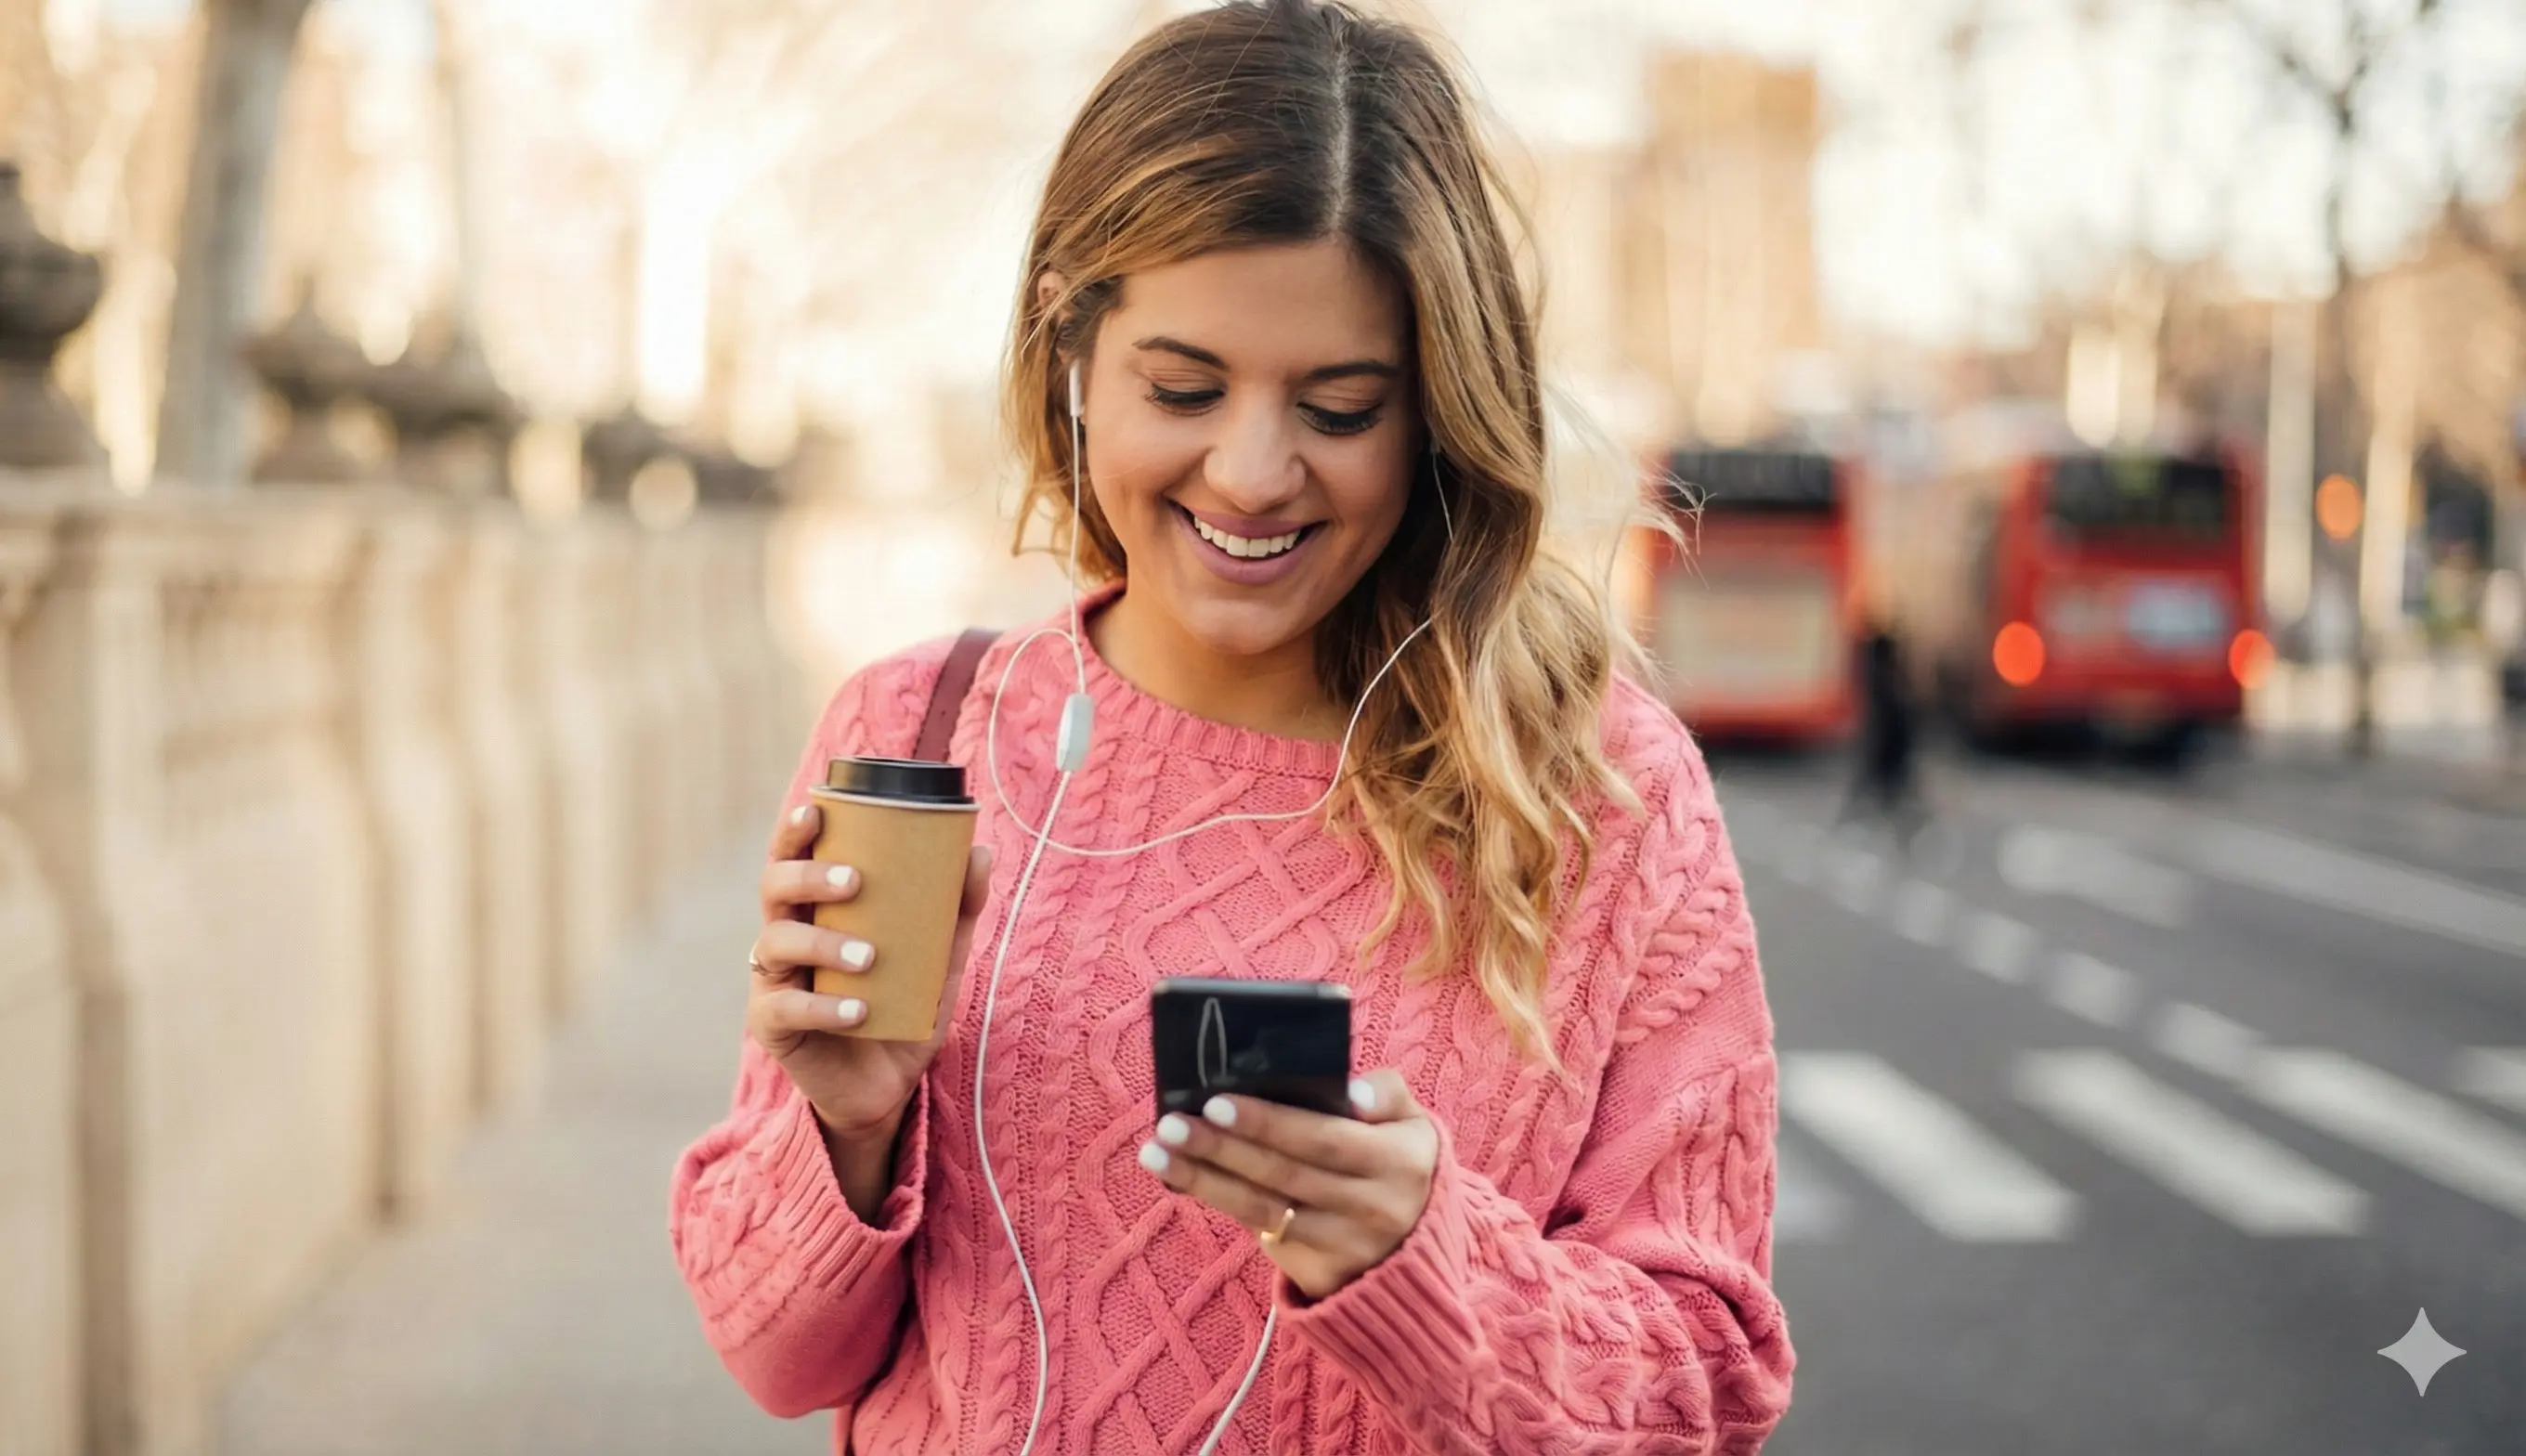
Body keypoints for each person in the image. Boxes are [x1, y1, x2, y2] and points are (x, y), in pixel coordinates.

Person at [668, 3, 1794, 1451]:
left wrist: (1427, 1265)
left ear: (1439, 409)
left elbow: (1709, 1387)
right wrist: (849, 1131)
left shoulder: (1604, 795)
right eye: (1184, 389)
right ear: (1072, 345)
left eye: (1339, 407)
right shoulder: (919, 732)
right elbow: (776, 1356)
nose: (1254, 473)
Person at [1840, 621, 1927, 850]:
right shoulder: (1893, 681)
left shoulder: (1882, 681)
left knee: (1886, 795)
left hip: (1889, 749)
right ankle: (1905, 837)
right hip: (1892, 750)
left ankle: (1902, 836)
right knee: (1893, 796)